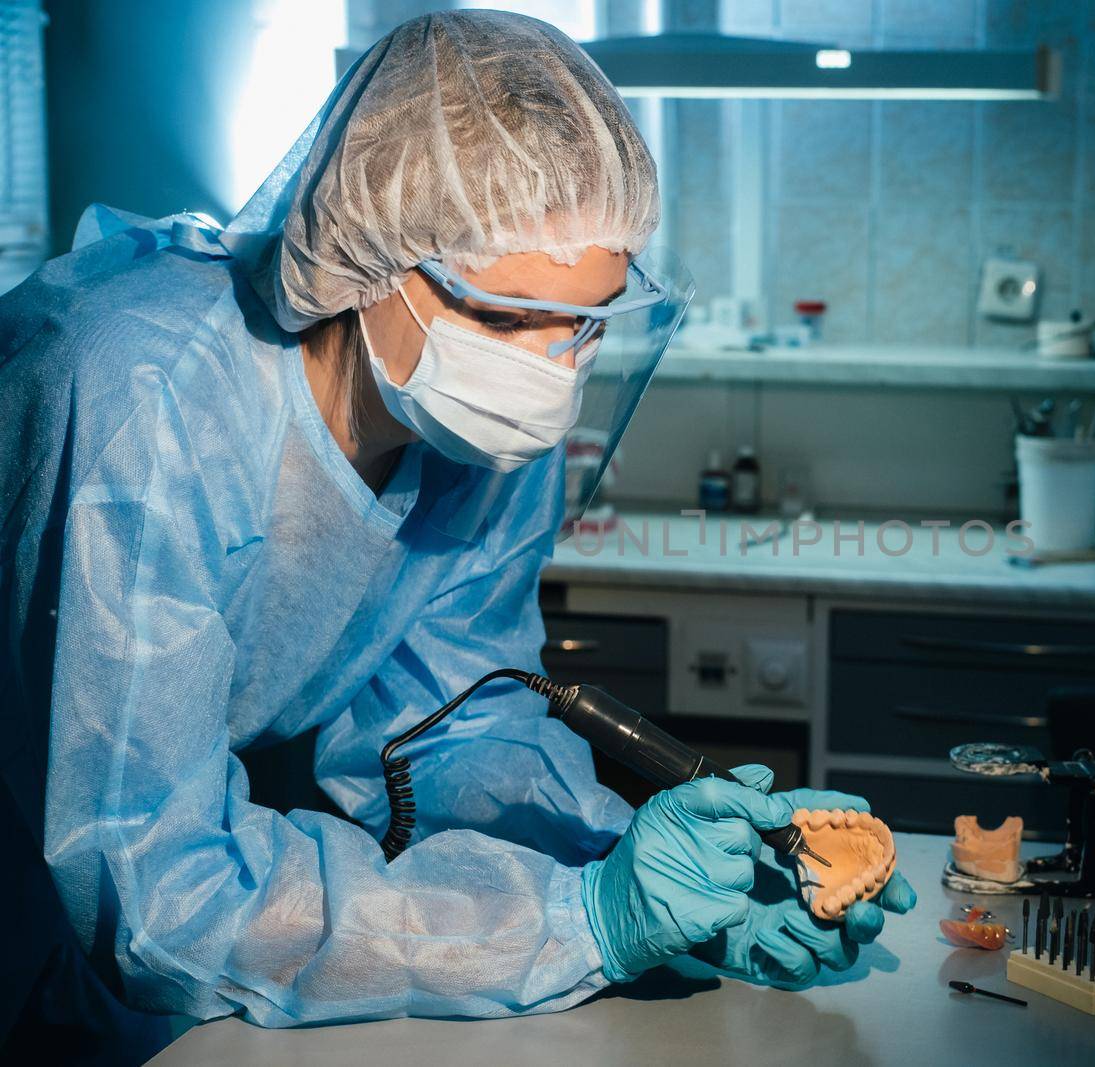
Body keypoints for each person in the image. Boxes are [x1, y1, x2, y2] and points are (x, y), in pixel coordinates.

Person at [0, 12, 912, 1060]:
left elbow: (451, 723)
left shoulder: (473, 430)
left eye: (585, 321)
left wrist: (653, 872)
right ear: (369, 256)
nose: (551, 371)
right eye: (506, 316)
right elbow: (162, 890)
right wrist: (585, 922)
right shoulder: (149, 404)